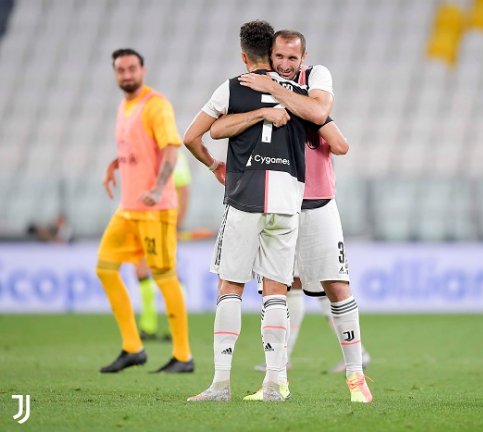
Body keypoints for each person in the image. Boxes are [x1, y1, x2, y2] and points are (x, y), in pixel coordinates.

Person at [183, 20, 345, 402]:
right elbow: (336, 139)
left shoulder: (234, 87)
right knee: (277, 290)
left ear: (243, 55)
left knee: (230, 287)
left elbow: (193, 136)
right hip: (288, 203)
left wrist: (213, 165)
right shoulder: (301, 93)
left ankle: (221, 383)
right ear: (273, 53)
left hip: (245, 198)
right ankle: (274, 384)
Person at [97, 48, 193, 373]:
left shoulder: (156, 105)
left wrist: (157, 186)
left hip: (156, 209)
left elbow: (170, 148)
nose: (126, 75)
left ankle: (183, 356)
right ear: (115, 73)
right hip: (128, 209)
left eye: (131, 69)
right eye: (120, 70)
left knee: (164, 277)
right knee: (105, 268)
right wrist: (116, 163)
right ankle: (133, 346)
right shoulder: (125, 106)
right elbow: (137, 150)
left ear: (143, 69)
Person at [137, 149, 192, 341]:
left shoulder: (173, 155)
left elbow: (183, 191)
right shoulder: (150, 154)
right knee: (143, 271)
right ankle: (150, 326)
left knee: (167, 273)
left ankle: (173, 327)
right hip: (150, 221)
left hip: (166, 222)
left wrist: (177, 225)